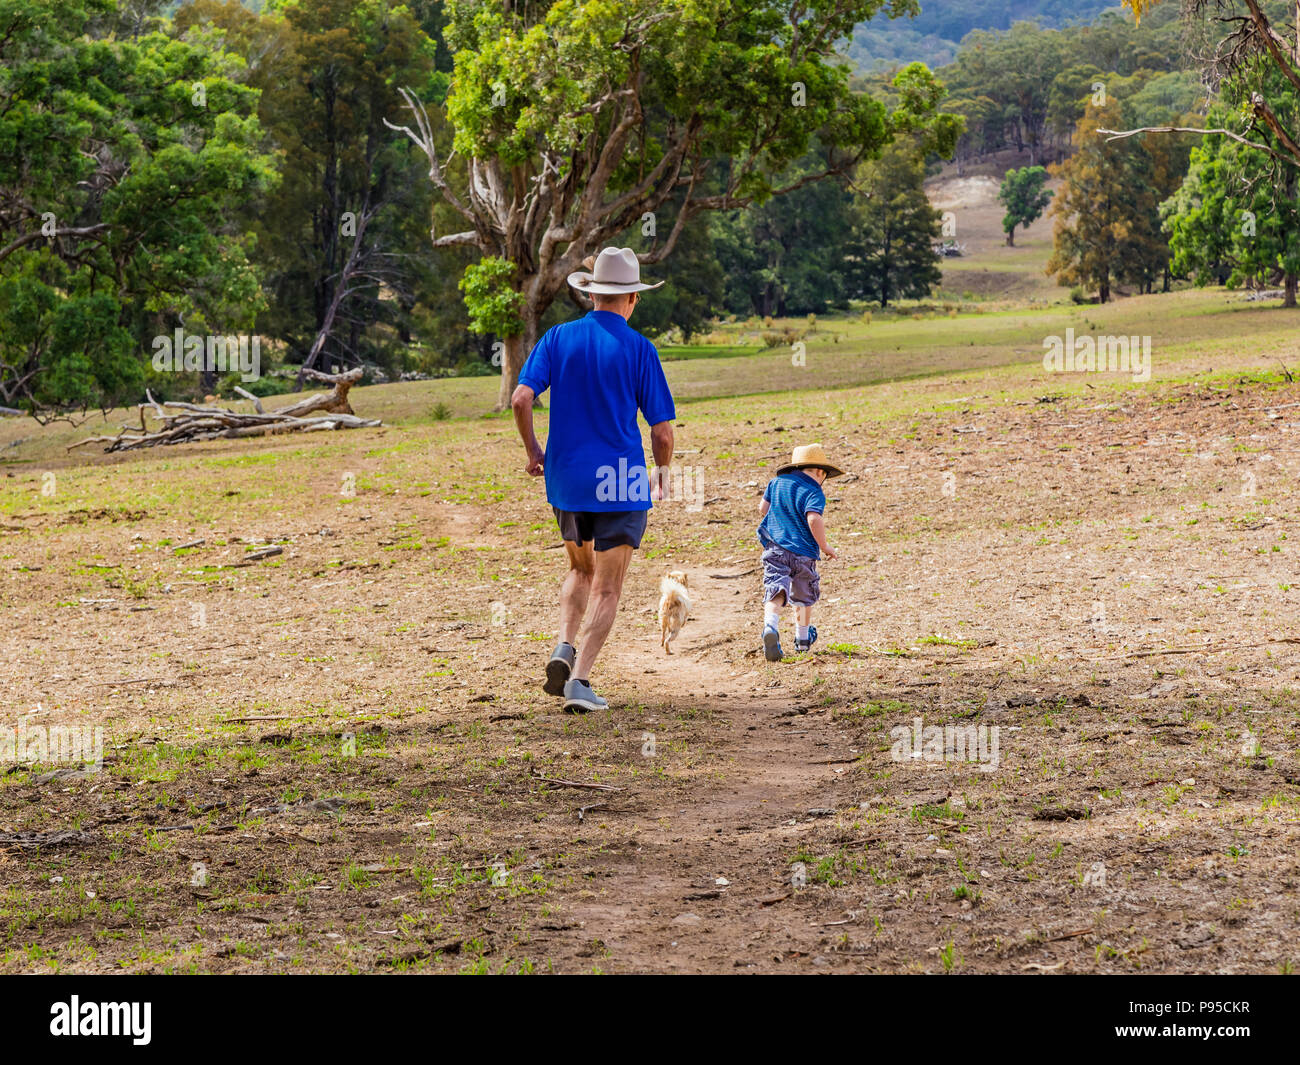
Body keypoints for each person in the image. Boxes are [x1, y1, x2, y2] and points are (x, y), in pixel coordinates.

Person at [510, 247, 675, 712]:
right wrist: (661, 474)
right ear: (632, 300)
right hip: (620, 482)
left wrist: (533, 452)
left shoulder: (557, 337)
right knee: (608, 586)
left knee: (579, 570)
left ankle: (563, 646)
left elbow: (522, 400)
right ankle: (579, 682)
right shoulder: (640, 349)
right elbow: (661, 431)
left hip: (565, 479)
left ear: (592, 295)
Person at [757, 443, 842, 662]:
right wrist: (825, 547)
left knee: (776, 589)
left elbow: (763, 509)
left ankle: (770, 626)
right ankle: (802, 640)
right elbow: (813, 518)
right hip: (804, 552)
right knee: (804, 595)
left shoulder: (775, 483)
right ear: (820, 472)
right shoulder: (814, 490)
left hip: (775, 549)